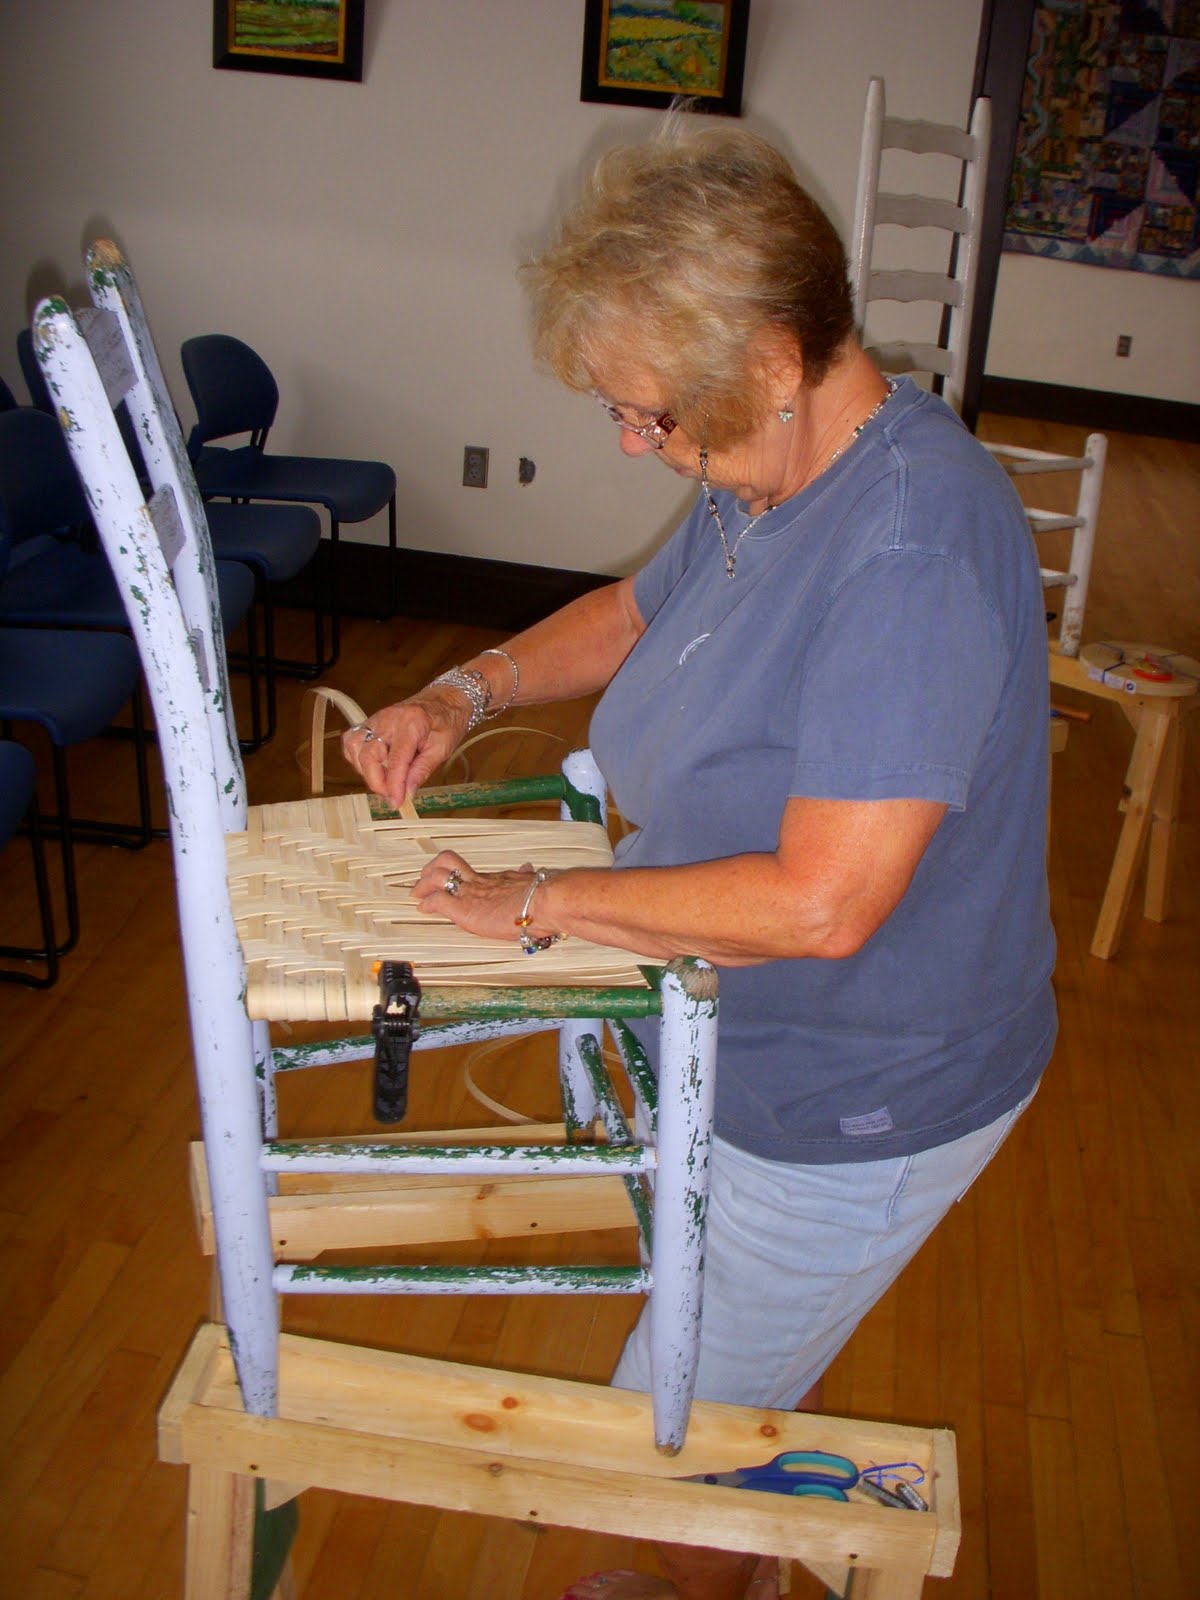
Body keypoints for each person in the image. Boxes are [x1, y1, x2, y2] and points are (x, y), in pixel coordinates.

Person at [344, 117, 1056, 1600]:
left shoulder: (911, 548)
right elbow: (641, 608)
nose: (631, 441)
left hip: (858, 1087)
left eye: (648, 414)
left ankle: (690, 1571)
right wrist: (461, 691)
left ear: (780, 363)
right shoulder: (776, 473)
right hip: (755, 1038)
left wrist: (533, 903)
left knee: (663, 1431)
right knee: (702, 1373)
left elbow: (822, 904)